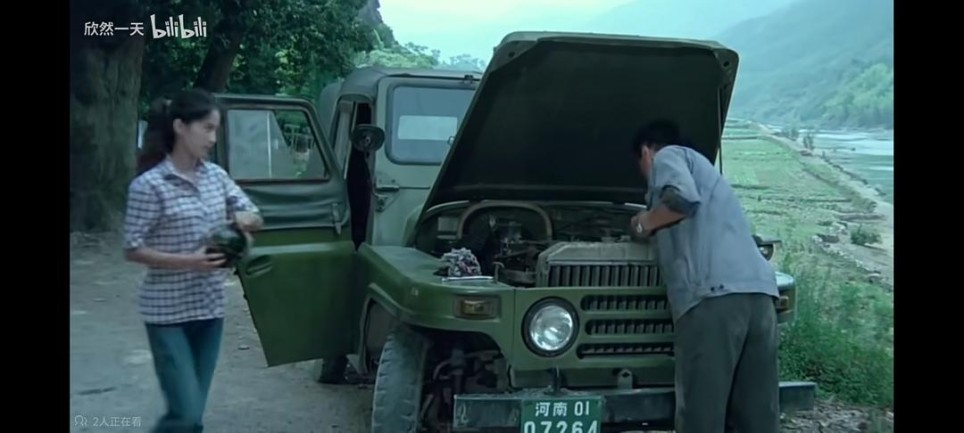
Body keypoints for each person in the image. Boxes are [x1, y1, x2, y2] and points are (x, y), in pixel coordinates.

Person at [123, 88, 262, 433]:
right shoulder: (149, 185)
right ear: (180, 126)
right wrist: (190, 261)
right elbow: (133, 248)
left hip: (209, 310)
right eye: (207, 128)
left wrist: (243, 224)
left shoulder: (216, 177)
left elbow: (253, 214)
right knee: (184, 413)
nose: (213, 138)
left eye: (216, 130)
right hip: (167, 313)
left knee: (194, 415)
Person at [629, 119, 781, 433]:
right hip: (760, 297)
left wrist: (643, 223)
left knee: (702, 414)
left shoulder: (668, 156)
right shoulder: (708, 174)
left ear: (646, 152)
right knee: (757, 416)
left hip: (714, 300)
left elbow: (682, 200)